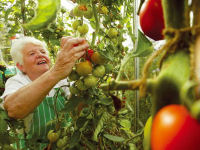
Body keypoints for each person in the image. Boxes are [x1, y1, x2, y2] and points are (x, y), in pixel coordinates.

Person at [0, 36, 89, 149]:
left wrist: (85, 75)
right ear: (20, 66)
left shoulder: (62, 80)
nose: (40, 55)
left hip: (63, 143)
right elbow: (13, 109)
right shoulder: (16, 81)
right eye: (32, 54)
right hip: (30, 146)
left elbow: (79, 108)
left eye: (43, 51)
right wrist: (56, 71)